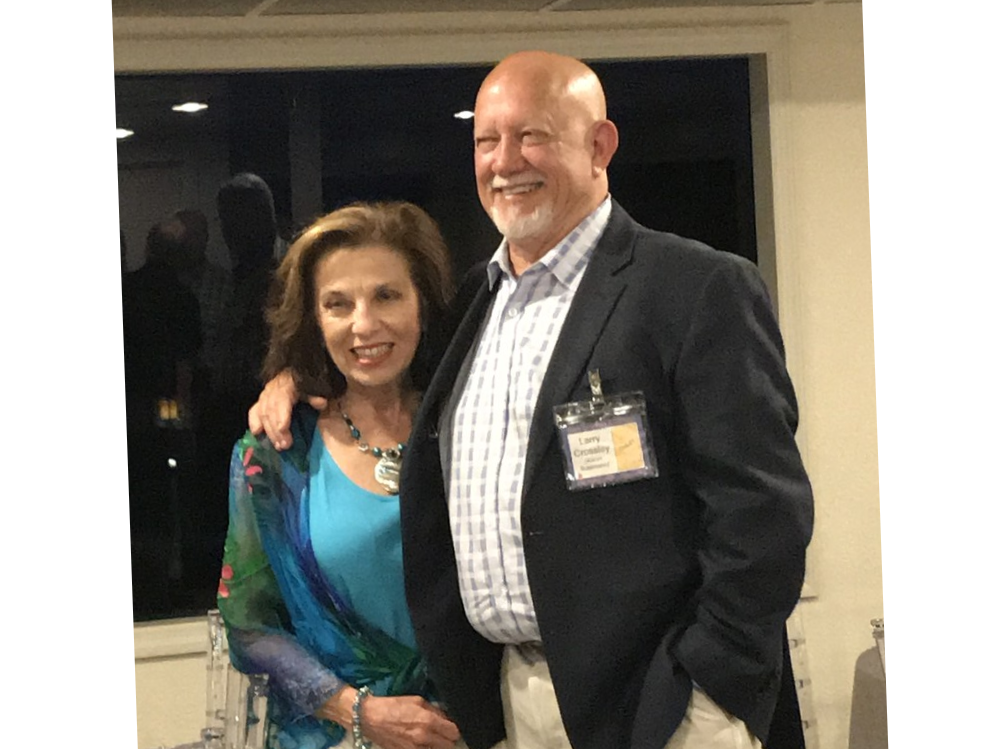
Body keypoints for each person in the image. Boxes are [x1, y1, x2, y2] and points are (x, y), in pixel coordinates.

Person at [252, 51, 814, 749]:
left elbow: (763, 515)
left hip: (659, 703)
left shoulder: (694, 288)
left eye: (531, 136)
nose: (504, 161)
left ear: (599, 145)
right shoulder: (472, 305)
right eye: (486, 140)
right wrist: (297, 377)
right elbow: (377, 365)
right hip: (507, 703)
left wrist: (707, 684)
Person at [218, 202, 463, 749]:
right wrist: (360, 712)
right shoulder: (277, 458)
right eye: (338, 304)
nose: (364, 324)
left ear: (423, 304)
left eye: (387, 295)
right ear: (314, 320)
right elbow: (248, 625)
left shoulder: (472, 424)